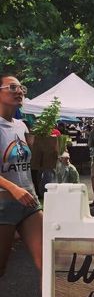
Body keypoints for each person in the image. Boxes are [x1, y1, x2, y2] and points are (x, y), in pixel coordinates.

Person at [0, 74, 42, 277]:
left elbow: (27, 161)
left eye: (21, 87)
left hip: (29, 202)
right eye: (12, 87)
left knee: (48, 262)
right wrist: (13, 188)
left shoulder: (21, 125)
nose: (19, 91)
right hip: (3, 203)